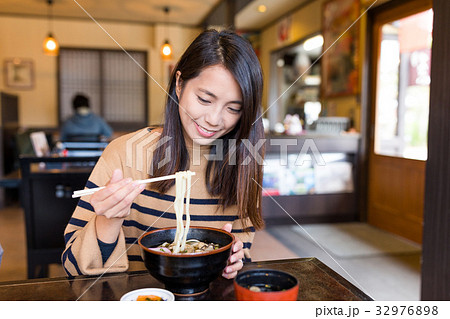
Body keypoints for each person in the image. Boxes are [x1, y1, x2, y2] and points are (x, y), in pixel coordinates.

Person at [62, 29, 265, 280]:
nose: (214, 119)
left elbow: (242, 253)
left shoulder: (244, 162)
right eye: (204, 99)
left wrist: (231, 260)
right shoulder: (124, 153)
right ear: (179, 84)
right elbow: (72, 267)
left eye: (233, 108)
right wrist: (107, 220)